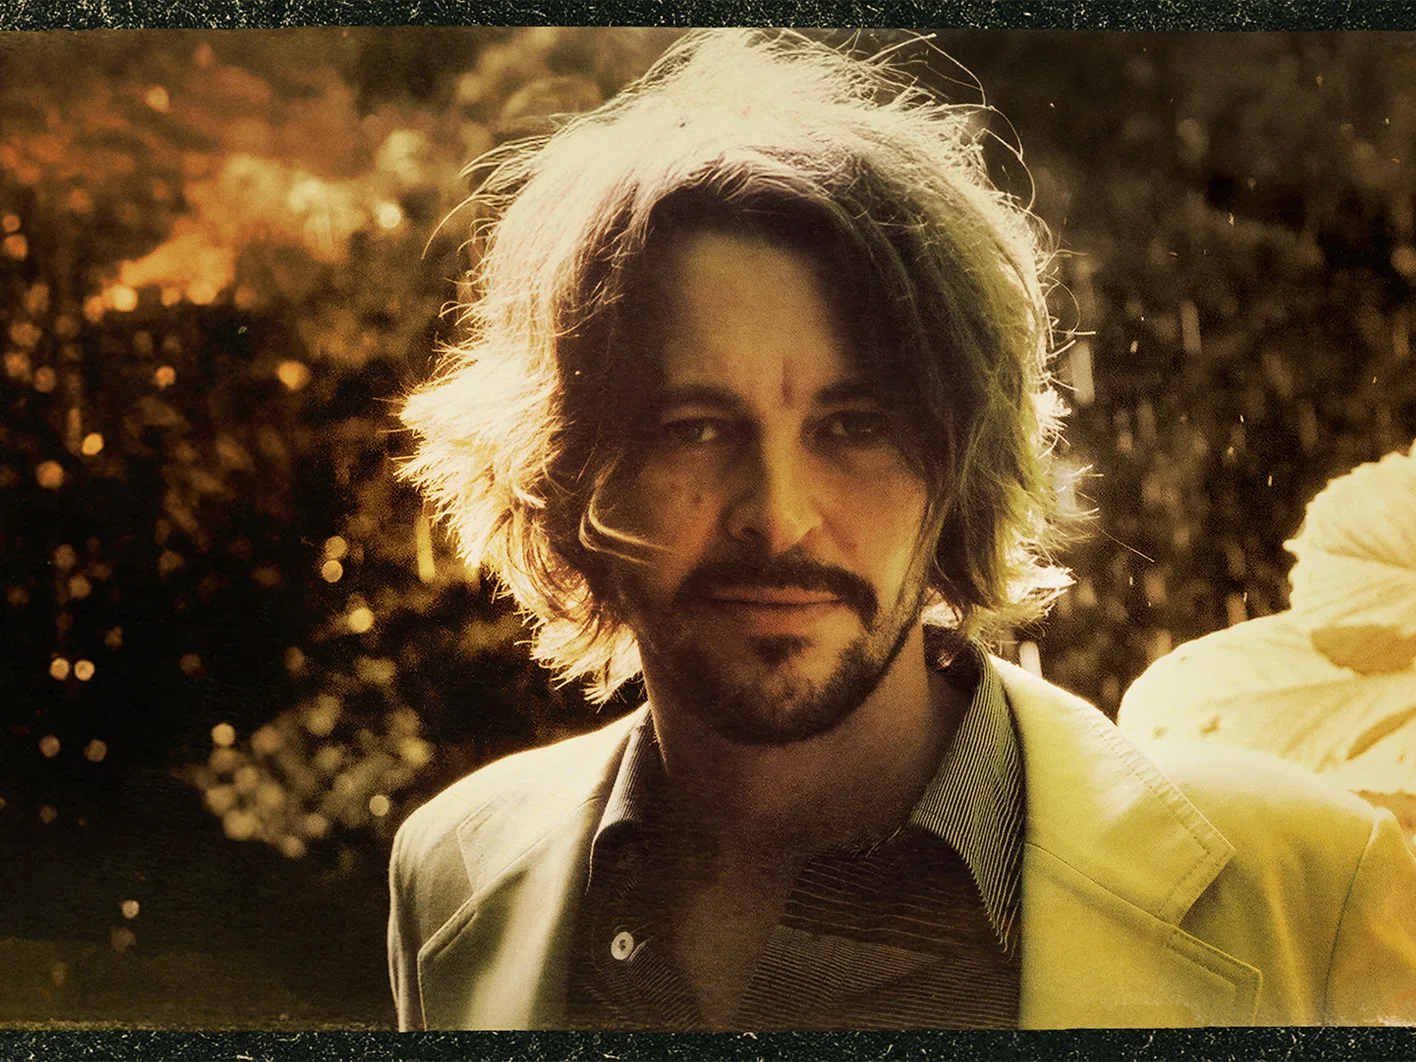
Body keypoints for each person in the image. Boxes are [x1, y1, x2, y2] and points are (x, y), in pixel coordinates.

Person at [388, 29, 1416, 1030]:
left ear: (963, 467)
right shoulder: (450, 878)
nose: (778, 515)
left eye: (856, 428)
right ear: (566, 466)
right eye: (693, 428)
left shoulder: (1308, 890)